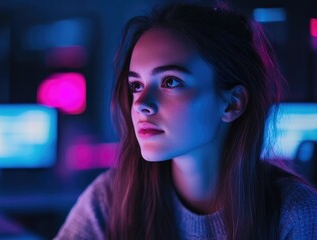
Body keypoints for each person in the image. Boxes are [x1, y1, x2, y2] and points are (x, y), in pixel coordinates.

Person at [55, 3, 317, 240]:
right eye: (136, 85)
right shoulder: (111, 198)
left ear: (232, 103)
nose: (141, 104)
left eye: (170, 81)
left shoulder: (296, 214)